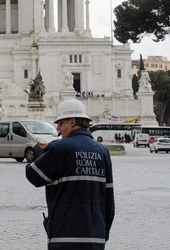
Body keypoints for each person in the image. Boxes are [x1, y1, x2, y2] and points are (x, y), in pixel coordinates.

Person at [25, 99, 115, 249]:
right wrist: (103, 233)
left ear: (72, 122)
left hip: (64, 236)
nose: (58, 128)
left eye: (61, 123)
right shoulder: (102, 151)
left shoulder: (59, 148)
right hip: (96, 237)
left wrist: (39, 152)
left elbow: (33, 175)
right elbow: (109, 200)